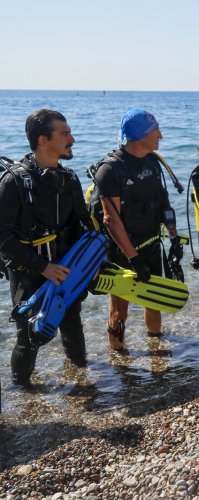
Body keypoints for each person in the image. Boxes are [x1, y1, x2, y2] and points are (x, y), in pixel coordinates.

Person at [0, 109, 94, 384]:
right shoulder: (14, 183)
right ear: (43, 140)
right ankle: (23, 393)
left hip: (67, 269)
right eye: (64, 134)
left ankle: (81, 380)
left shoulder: (70, 180)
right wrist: (43, 267)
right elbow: (2, 237)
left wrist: (93, 265)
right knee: (29, 336)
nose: (72, 139)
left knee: (72, 324)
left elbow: (83, 226)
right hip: (28, 270)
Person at [94, 108, 178, 350]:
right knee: (119, 309)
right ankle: (118, 355)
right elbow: (111, 220)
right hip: (122, 250)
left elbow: (163, 201)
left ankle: (156, 346)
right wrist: (133, 257)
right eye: (156, 131)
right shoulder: (110, 169)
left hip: (151, 243)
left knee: (153, 299)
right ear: (142, 135)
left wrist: (173, 236)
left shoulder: (153, 160)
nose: (160, 135)